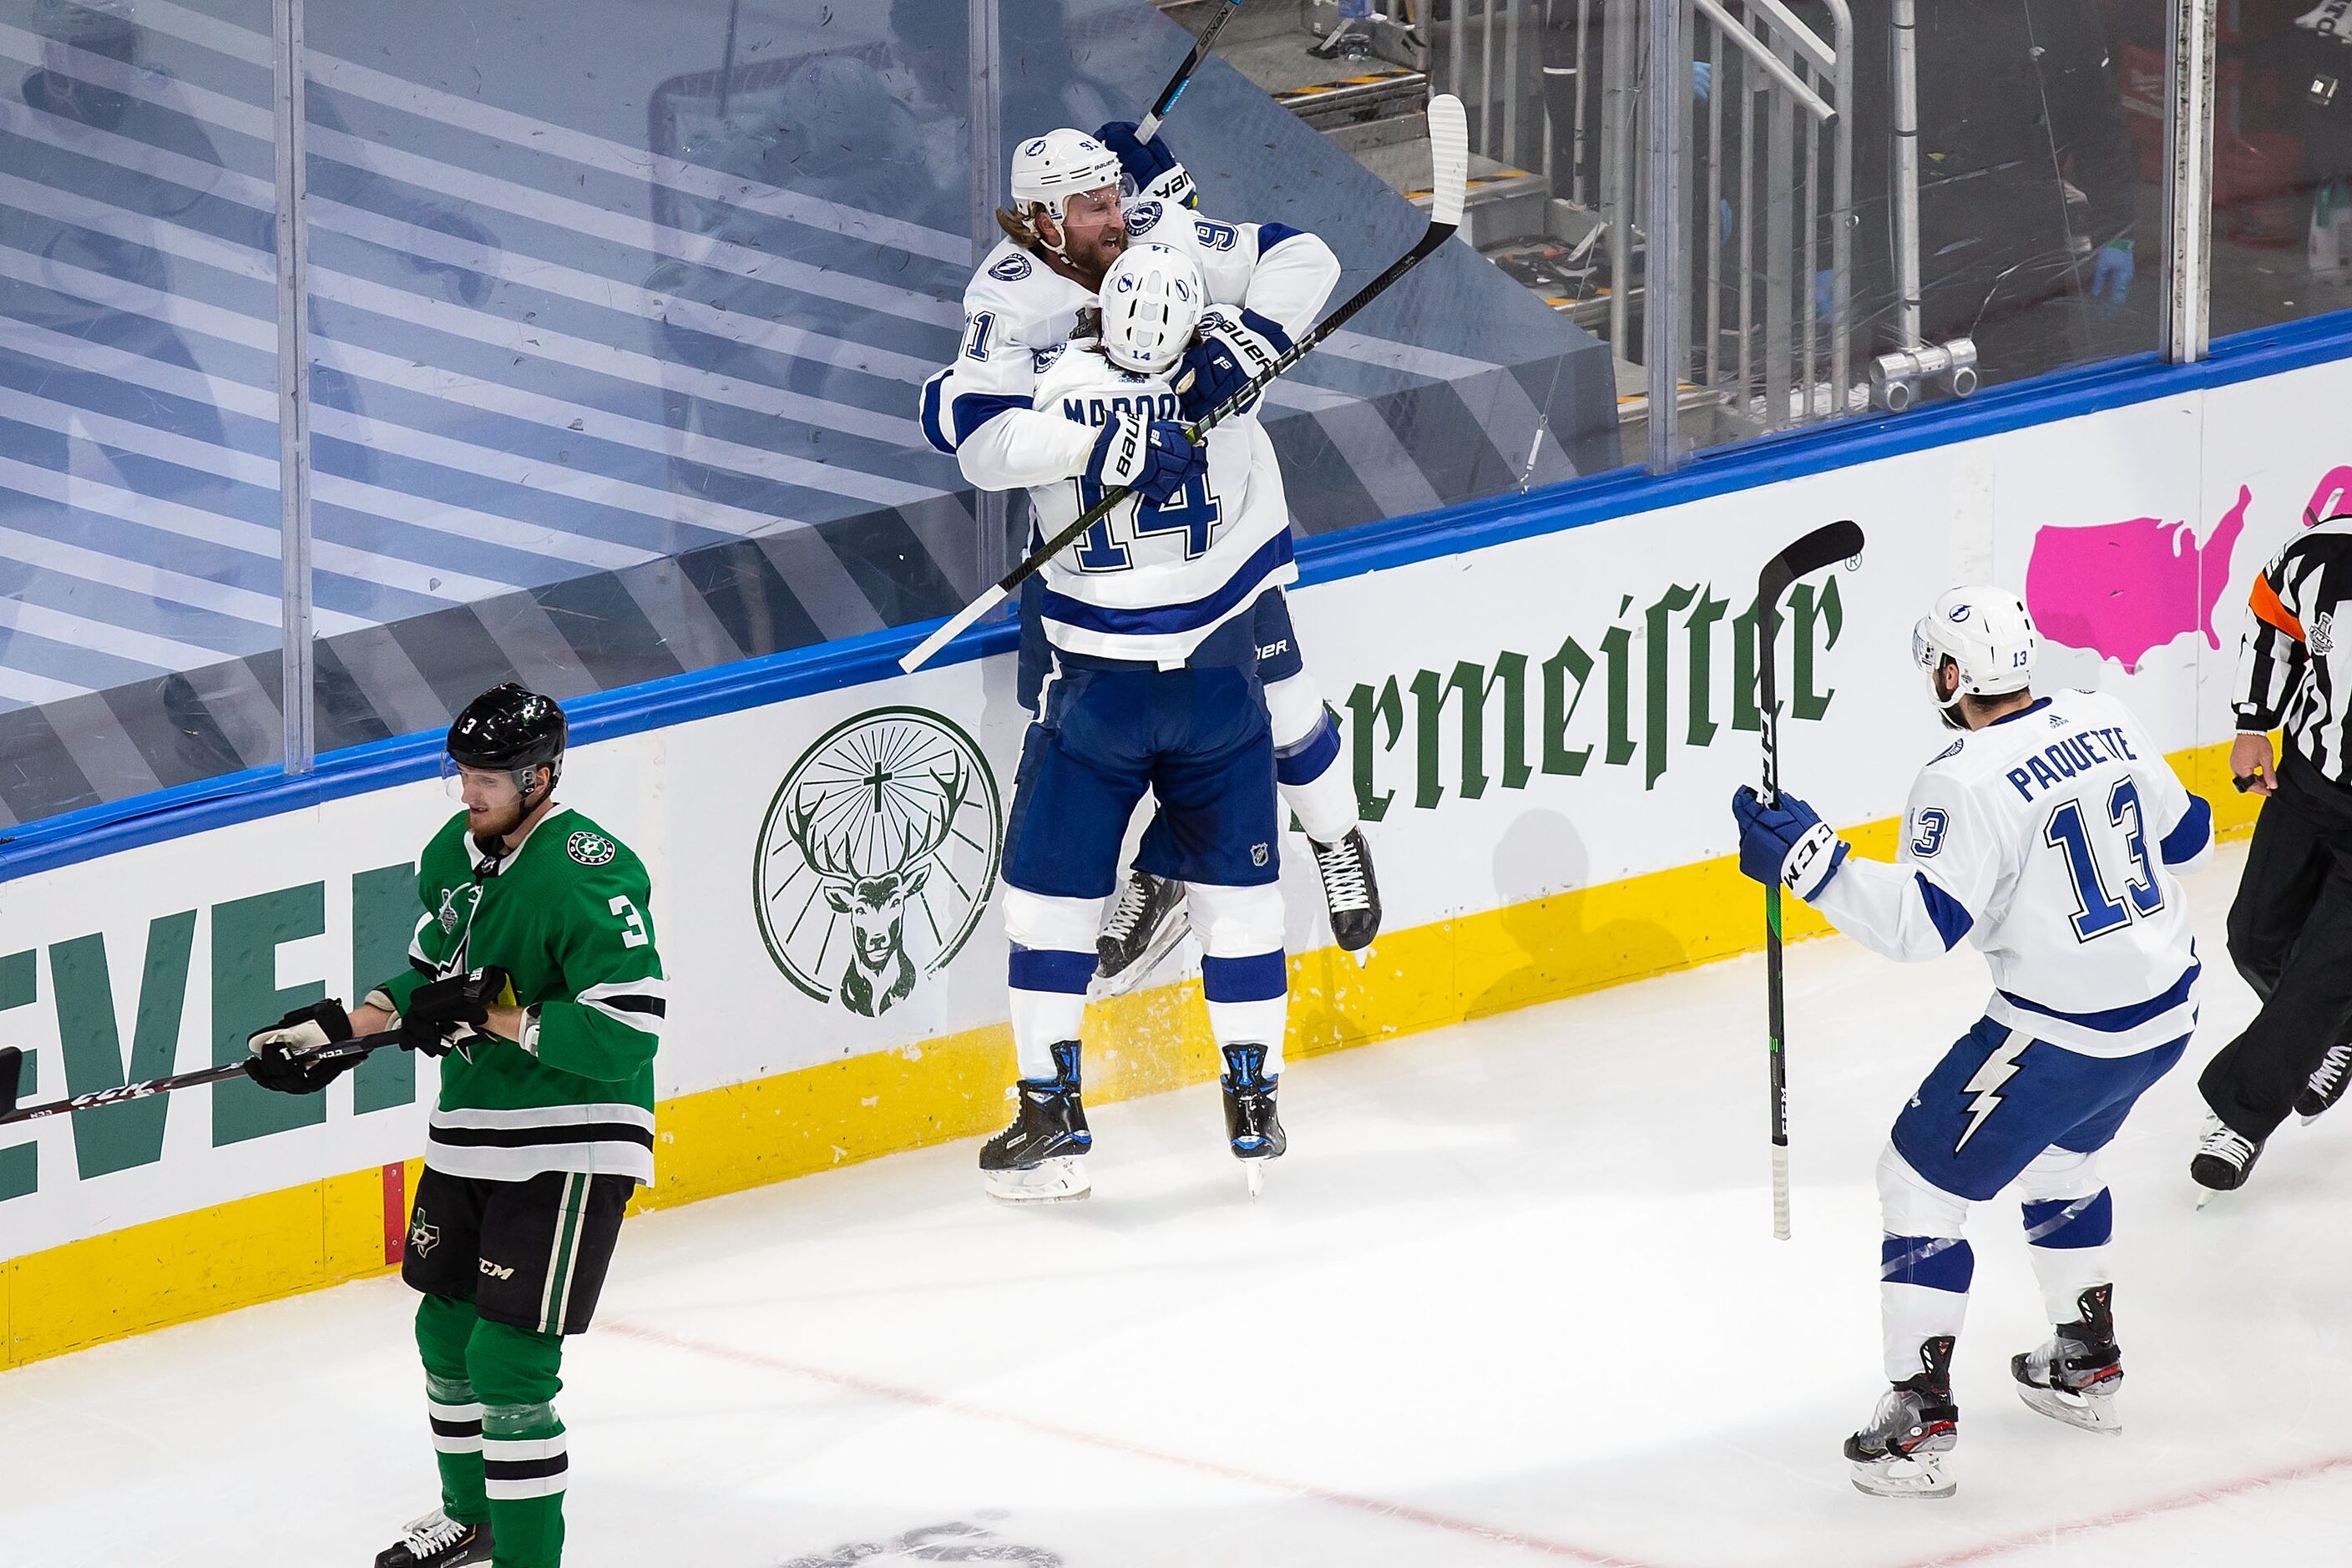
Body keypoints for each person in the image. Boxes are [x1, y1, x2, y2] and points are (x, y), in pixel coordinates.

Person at [1730, 589, 2213, 1498]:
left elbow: (1922, 929)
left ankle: (1918, 1414)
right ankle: (2084, 1357)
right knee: (2065, 1162)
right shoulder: (2103, 715)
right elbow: (2187, 836)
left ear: (1953, 675)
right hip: (2168, 1014)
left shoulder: (1961, 777)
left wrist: (1812, 862)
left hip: (2065, 1034)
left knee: (1916, 1180)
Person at [918, 124, 1380, 994]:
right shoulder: (1006, 295)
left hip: (1222, 542)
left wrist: (1246, 338)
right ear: (1042, 221)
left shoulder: (1160, 226)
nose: (1114, 218)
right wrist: (1095, 449)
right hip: (1100, 573)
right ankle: (1163, 871)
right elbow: (981, 442)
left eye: (1113, 195)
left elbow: (1305, 258)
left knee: (1277, 712)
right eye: (1092, 205)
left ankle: (1334, 836)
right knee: (1108, 739)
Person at [242, 684, 665, 1568]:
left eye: (489, 779)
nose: (470, 794)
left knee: (509, 1360)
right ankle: (469, 1518)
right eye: (464, 775)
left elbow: (628, 1031)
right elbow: (433, 980)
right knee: (444, 1330)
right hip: (472, 1129)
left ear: (540, 776)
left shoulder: (589, 869)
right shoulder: (456, 849)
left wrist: (494, 1018)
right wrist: (337, 1031)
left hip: (570, 1140)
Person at [954, 241, 1299, 1201]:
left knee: (1049, 910)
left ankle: (1051, 1108)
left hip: (1098, 696)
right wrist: (1237, 345)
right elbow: (1302, 268)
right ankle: (1253, 1098)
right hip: (1219, 693)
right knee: (1241, 906)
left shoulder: (1056, 387)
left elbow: (967, 430)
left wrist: (1086, 442)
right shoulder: (1236, 391)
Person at [2192, 512, 2352, 1193]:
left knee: (2319, 974)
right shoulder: (2321, 552)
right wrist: (2255, 721)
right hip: (2309, 782)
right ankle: (2335, 1030)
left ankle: (2243, 1116)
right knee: (2252, 939)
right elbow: (2273, 621)